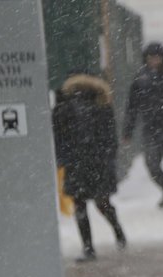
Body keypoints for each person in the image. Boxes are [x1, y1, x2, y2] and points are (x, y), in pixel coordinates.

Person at [53, 73, 126, 262]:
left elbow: (59, 138)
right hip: (94, 163)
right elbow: (111, 139)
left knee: (83, 205)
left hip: (80, 163)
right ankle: (115, 234)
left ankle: (89, 247)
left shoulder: (65, 107)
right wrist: (108, 157)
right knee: (100, 203)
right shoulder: (101, 105)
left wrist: (63, 159)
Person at [123, 42, 163, 210]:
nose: (154, 61)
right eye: (150, 58)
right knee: (152, 165)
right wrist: (127, 130)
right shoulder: (140, 80)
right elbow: (132, 107)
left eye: (157, 57)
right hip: (151, 129)